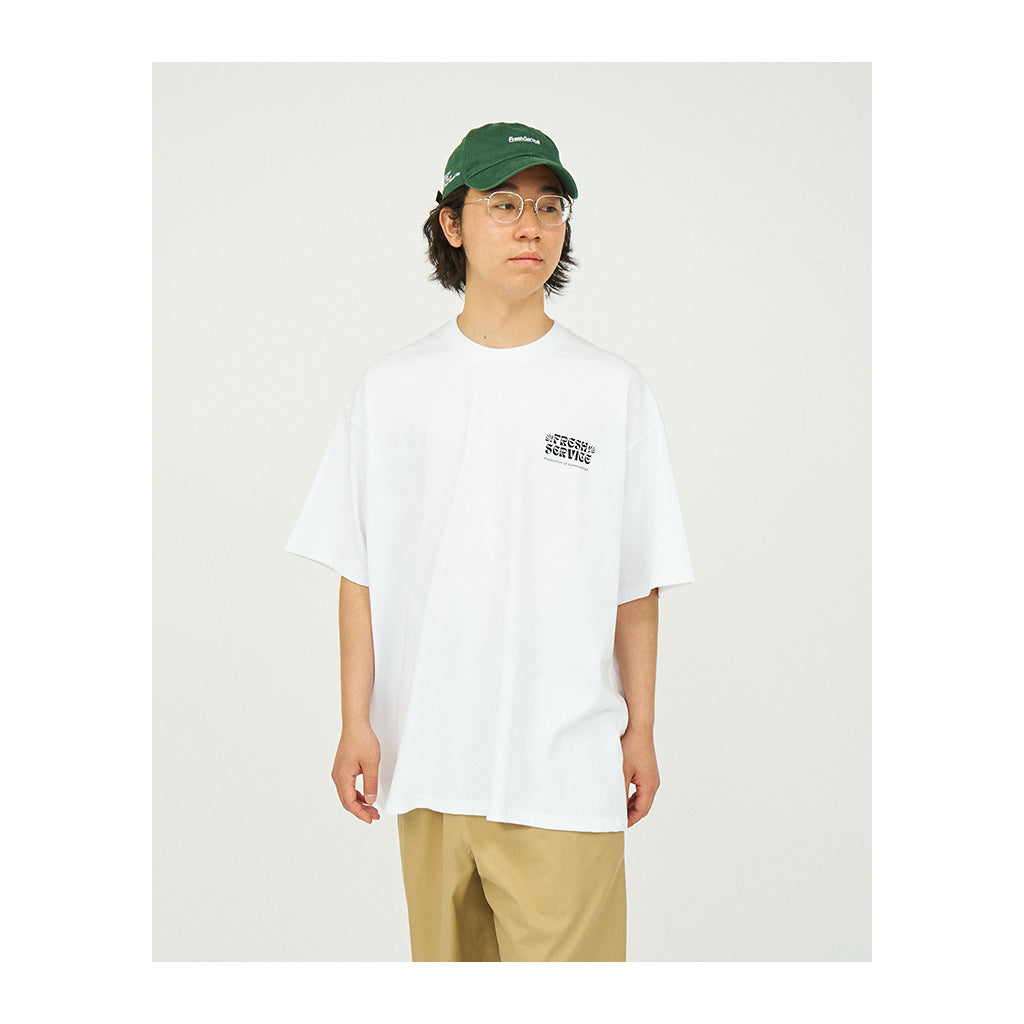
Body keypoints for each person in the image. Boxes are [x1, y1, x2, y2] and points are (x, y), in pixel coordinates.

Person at [285, 122, 694, 961]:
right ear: (452, 223)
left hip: (564, 770)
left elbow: (636, 580)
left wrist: (642, 730)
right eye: (503, 204)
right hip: (429, 763)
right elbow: (360, 571)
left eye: (550, 206)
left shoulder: (610, 390)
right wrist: (354, 721)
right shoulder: (392, 391)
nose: (530, 226)